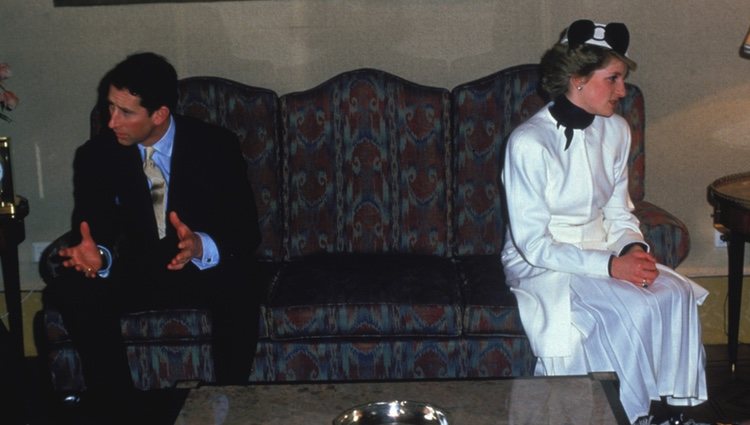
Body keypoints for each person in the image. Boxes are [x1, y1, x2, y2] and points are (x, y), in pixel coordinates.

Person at [501, 20, 708, 425]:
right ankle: (619, 414)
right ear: (577, 79)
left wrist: (633, 248)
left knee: (675, 294)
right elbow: (533, 244)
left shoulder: (617, 130)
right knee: (630, 309)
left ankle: (668, 410)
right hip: (544, 259)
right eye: (613, 78)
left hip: (602, 245)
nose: (623, 90)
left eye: (622, 79)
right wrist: (612, 267)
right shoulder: (529, 142)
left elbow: (618, 211)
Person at [42, 52, 261, 407]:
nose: (111, 121)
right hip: (135, 270)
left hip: (199, 269)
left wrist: (199, 245)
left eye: (125, 112)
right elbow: (94, 228)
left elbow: (246, 231)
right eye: (110, 107)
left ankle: (230, 403)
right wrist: (98, 256)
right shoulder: (95, 155)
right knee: (72, 288)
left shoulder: (215, 145)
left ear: (159, 114)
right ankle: (118, 408)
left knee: (244, 280)